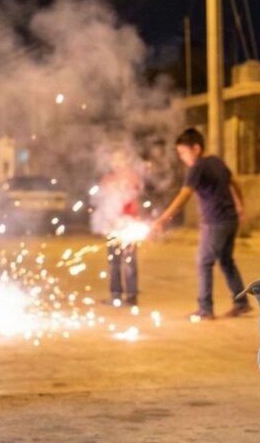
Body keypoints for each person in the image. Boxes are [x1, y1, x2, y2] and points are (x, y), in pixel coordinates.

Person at [150, 128, 249, 320]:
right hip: (230, 220)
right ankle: (241, 302)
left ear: (195, 148)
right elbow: (234, 182)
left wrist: (162, 219)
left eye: (183, 153)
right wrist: (240, 206)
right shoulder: (217, 162)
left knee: (204, 262)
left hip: (215, 222)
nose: (182, 158)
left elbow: (184, 195)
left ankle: (205, 309)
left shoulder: (197, 167)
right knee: (227, 261)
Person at [92, 150, 143, 306]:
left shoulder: (132, 177)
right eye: (113, 160)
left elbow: (134, 195)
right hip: (112, 226)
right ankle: (115, 294)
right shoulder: (107, 179)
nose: (116, 163)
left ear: (126, 160)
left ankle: (131, 295)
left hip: (128, 224)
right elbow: (101, 200)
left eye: (119, 159)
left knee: (129, 262)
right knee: (113, 262)